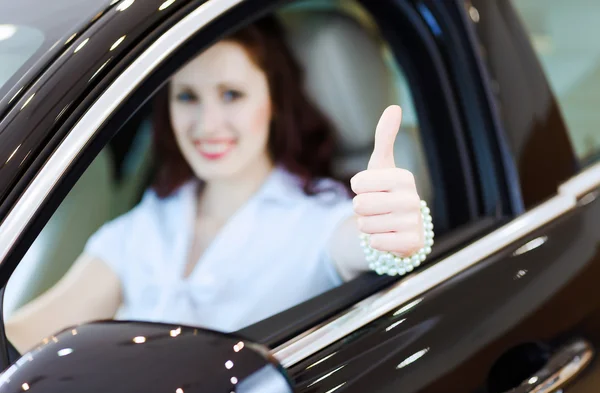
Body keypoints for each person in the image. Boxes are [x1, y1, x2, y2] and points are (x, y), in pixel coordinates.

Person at [5, 16, 425, 353]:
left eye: (231, 95)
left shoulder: (318, 217)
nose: (207, 125)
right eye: (187, 96)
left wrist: (397, 235)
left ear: (273, 103)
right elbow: (37, 328)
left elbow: (366, 243)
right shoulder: (151, 219)